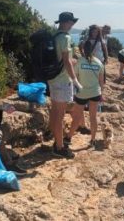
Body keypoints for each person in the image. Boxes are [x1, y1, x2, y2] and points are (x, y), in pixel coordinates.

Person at [48, 12, 82, 158]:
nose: (72, 25)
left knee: (55, 112)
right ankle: (59, 147)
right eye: (71, 22)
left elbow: (58, 59)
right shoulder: (65, 38)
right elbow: (67, 61)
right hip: (62, 80)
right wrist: (75, 79)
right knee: (60, 115)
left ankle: (57, 141)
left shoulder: (54, 36)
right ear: (66, 22)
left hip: (52, 79)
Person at [65, 41, 104, 149]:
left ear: (82, 49)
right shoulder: (99, 63)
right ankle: (93, 140)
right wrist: (102, 94)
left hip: (82, 93)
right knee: (93, 117)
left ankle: (68, 137)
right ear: (93, 50)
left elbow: (75, 77)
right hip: (95, 92)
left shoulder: (80, 62)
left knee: (77, 117)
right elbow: (101, 81)